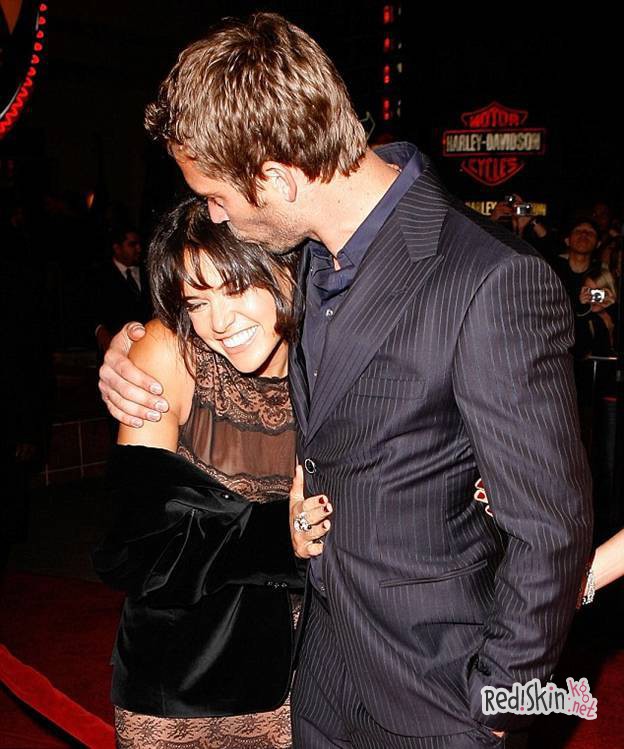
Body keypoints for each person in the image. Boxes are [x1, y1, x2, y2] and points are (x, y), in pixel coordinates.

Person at [99, 13, 592, 747]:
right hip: (317, 682)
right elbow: (232, 331)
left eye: (216, 197)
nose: (213, 215)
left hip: (437, 692)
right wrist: (136, 347)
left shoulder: (490, 278)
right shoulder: (299, 256)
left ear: (275, 176)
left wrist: (496, 705)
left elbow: (550, 528)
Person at [92, 196, 331, 749]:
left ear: (287, 268)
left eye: (238, 287)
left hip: (316, 680)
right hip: (187, 685)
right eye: (197, 301)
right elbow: (136, 544)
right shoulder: (169, 353)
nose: (219, 323)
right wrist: (279, 535)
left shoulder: (334, 357)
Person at [93, 225, 152, 354]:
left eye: (139, 244)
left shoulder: (148, 271)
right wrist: (100, 329)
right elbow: (92, 308)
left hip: (147, 344)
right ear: (117, 248)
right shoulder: (100, 276)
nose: (139, 249)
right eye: (132, 245)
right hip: (116, 345)